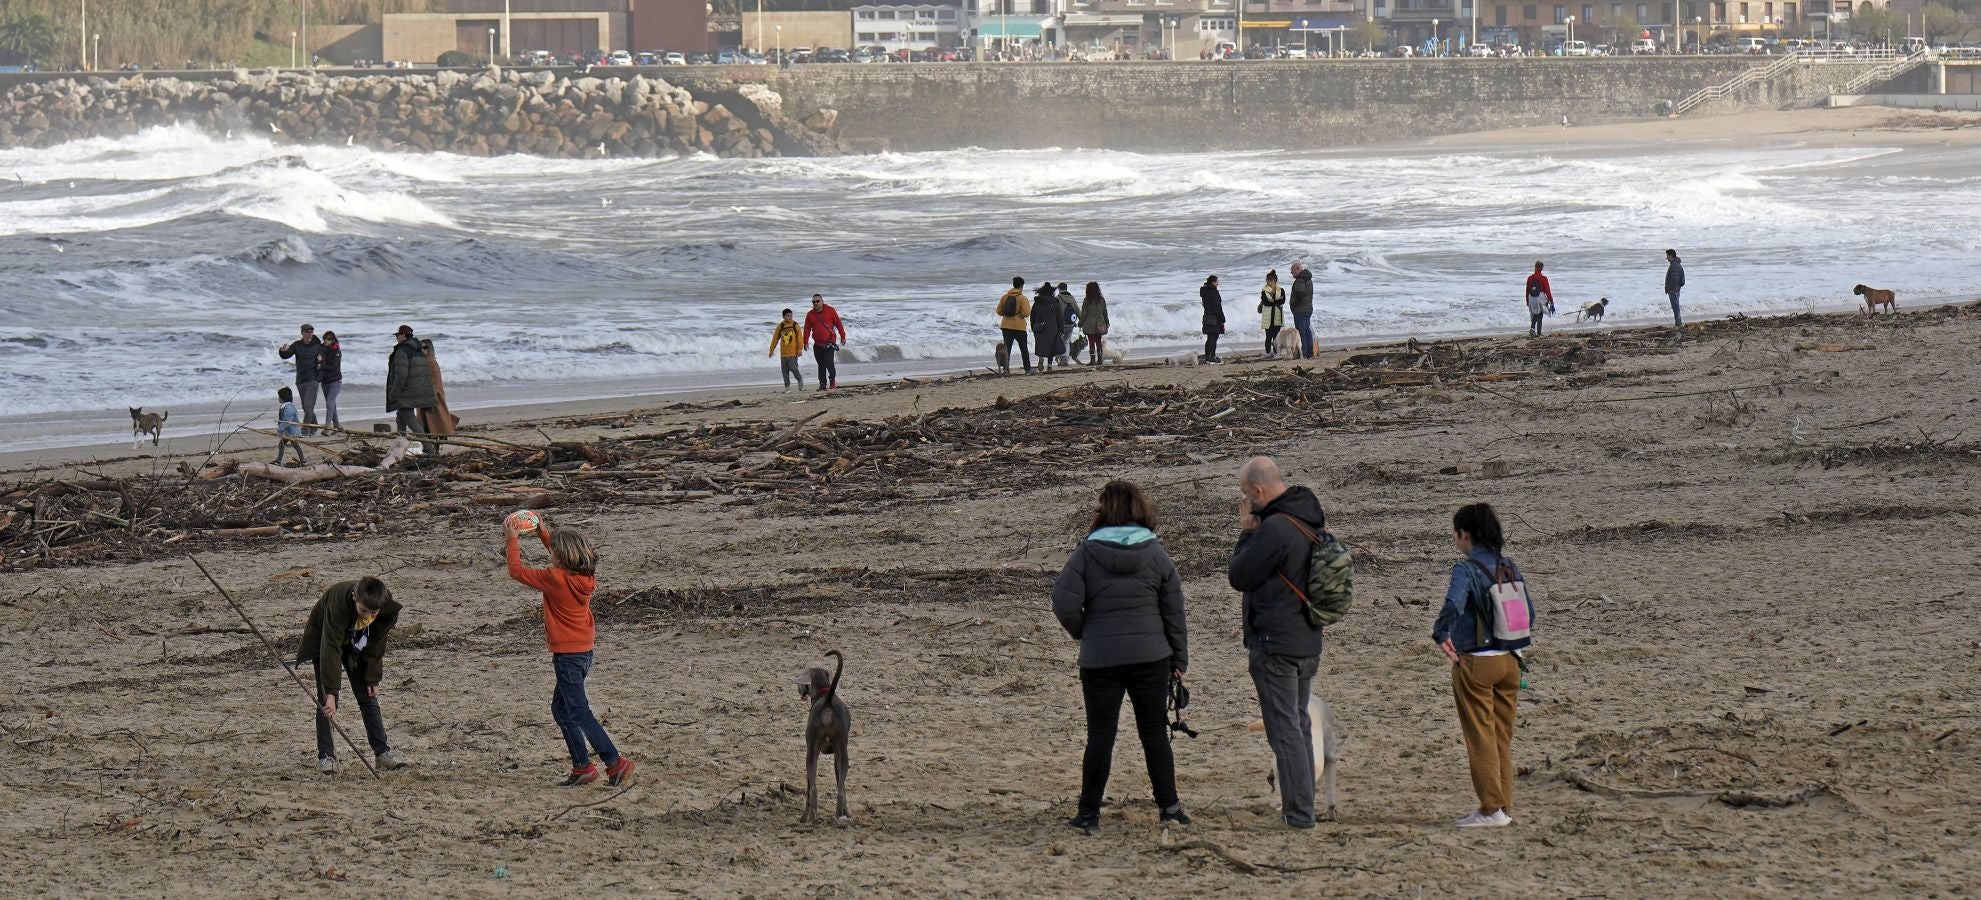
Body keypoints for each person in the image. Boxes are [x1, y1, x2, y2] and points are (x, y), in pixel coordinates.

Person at [1052, 480, 1191, 833]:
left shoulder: (1086, 552)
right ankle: (1170, 808)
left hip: (1101, 659)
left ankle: (1088, 815)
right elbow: (1174, 610)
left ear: (1104, 511)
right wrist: (1179, 659)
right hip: (1151, 657)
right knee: (1154, 733)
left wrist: (1085, 631)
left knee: (1100, 736)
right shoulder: (1156, 553)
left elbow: (1064, 603)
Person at [1226, 456, 1327, 829]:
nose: (1244, 501)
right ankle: (1302, 807)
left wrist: (1246, 531)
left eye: (1245, 494)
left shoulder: (1274, 529)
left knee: (1285, 730)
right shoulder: (1308, 518)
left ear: (1257, 490)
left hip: (1277, 644)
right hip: (1306, 639)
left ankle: (1299, 814)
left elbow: (1239, 575)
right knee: (1297, 725)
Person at [507, 516, 636, 788]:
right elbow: (563, 556)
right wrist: (542, 533)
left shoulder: (554, 578)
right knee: (562, 709)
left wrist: (512, 539)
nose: (550, 553)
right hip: (583, 652)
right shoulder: (585, 576)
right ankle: (582, 768)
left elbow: (516, 571)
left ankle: (615, 762)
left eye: (552, 550)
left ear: (560, 557)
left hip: (567, 657)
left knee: (578, 712)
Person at [1432, 503, 1532, 828]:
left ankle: (1491, 810)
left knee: (1481, 737)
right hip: (1511, 661)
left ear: (1466, 534)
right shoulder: (1508, 565)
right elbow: (1529, 612)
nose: (1455, 539)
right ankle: (1504, 807)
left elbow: (1453, 604)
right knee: (1502, 736)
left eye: (1456, 533)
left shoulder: (1466, 569)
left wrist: (1440, 633)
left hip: (1477, 662)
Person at [297, 576, 406, 774]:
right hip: (325, 640)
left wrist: (372, 676)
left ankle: (382, 753)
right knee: (327, 701)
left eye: (373, 612)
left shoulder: (383, 603)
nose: (368, 616)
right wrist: (331, 692)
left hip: (357, 643)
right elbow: (331, 647)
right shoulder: (338, 602)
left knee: (368, 696)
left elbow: (377, 642)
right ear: (355, 596)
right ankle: (326, 757)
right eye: (364, 611)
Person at [385, 326, 438, 455]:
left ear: (403, 336)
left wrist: (393, 393)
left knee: (409, 418)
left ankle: (429, 448)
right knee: (401, 416)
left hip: (406, 391)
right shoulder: (418, 349)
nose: (396, 338)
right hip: (417, 389)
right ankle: (399, 445)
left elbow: (400, 375)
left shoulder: (402, 351)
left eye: (397, 335)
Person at [277, 323, 323, 435]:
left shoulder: (318, 346)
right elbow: (286, 355)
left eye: (311, 331)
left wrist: (321, 362)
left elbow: (325, 361)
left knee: (308, 406)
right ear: (302, 333)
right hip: (301, 380)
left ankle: (305, 431)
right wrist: (282, 350)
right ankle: (314, 427)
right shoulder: (297, 345)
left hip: (312, 380)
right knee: (306, 407)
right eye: (307, 332)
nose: (309, 334)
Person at [417, 338, 459, 449]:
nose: (422, 350)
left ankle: (434, 448)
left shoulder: (430, 362)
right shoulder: (424, 361)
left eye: (425, 347)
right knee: (432, 422)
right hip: (427, 395)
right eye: (420, 347)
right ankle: (433, 448)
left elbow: (435, 382)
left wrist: (430, 396)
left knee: (434, 423)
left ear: (430, 349)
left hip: (432, 396)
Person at [803, 294, 847, 391]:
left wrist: (843, 336)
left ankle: (832, 379)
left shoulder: (830, 310)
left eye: (817, 301)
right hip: (817, 344)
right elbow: (807, 329)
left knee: (828, 361)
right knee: (821, 365)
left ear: (822, 301)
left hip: (829, 342)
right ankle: (822, 384)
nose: (815, 303)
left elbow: (838, 323)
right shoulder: (810, 314)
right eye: (813, 302)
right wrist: (805, 341)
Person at [996, 276, 1034, 374]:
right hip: (1019, 327)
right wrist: (1019, 314)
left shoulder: (1005, 297)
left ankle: (1006, 369)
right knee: (1023, 349)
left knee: (1007, 349)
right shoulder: (1023, 298)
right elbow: (1026, 313)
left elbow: (999, 311)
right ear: (1022, 286)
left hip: (1006, 326)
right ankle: (1027, 369)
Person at [768, 308, 805, 392]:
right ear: (783, 316)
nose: (790, 317)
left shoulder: (795, 325)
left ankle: (799, 378)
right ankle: (787, 386)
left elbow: (800, 338)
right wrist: (771, 350)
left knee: (793, 368)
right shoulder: (780, 326)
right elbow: (775, 339)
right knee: (784, 371)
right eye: (788, 316)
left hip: (793, 353)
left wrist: (800, 349)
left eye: (791, 316)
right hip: (783, 353)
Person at [1032, 283, 1065, 373]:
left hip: (1039, 327)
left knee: (1041, 345)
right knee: (1052, 347)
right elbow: (1059, 318)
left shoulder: (1036, 303)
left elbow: (1032, 317)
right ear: (1052, 292)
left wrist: (1033, 327)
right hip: (1052, 328)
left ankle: (1041, 358)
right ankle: (1049, 366)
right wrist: (1062, 330)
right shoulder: (1055, 303)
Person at [274, 386, 307, 466]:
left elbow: (287, 420)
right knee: (292, 445)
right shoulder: (285, 406)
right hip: (289, 431)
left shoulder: (288, 407)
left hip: (291, 431)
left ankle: (278, 461)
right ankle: (303, 461)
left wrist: (280, 429)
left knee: (288, 444)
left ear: (283, 397)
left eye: (279, 396)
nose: (278, 398)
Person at [317, 330, 343, 431]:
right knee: (332, 405)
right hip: (325, 381)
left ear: (333, 340)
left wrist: (321, 364)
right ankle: (337, 426)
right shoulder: (322, 349)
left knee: (329, 402)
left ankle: (327, 427)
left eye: (328, 339)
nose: (326, 341)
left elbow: (333, 367)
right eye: (324, 339)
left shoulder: (336, 351)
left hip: (335, 381)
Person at [1259, 270, 1288, 359]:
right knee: (1268, 336)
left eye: (1270, 279)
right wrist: (1276, 301)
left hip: (1277, 316)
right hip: (1268, 316)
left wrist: (1273, 301)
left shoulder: (1281, 290)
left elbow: (1283, 301)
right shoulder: (1264, 291)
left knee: (1276, 336)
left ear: (1275, 280)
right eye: (1267, 279)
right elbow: (1265, 302)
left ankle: (1276, 353)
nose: (1268, 281)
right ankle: (1268, 353)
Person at [1079, 282, 1110, 366]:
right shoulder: (1101, 299)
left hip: (1089, 324)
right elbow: (1105, 312)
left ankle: (1092, 361)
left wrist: (1080, 323)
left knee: (1091, 342)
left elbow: (1083, 313)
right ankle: (1099, 360)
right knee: (1098, 341)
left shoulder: (1087, 300)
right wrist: (1107, 322)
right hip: (1100, 323)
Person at [1289, 263, 1315, 359]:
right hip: (1308, 308)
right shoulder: (1308, 278)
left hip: (1300, 310)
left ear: (1297, 269)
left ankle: (1303, 352)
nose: (1291, 272)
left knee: (1301, 332)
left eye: (1292, 270)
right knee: (1307, 330)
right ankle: (1309, 352)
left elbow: (1299, 294)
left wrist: (1293, 304)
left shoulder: (1300, 279)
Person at [1524, 262, 1554, 338]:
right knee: (1539, 314)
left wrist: (1527, 300)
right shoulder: (1544, 278)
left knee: (1535, 313)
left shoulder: (1530, 278)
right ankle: (1536, 331)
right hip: (1540, 297)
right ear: (1542, 268)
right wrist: (1551, 301)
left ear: (1535, 267)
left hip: (1531, 297)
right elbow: (1547, 291)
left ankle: (1535, 330)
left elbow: (1527, 290)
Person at [1200, 276, 1226, 364]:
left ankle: (1207, 356)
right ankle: (1212, 357)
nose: (1218, 283)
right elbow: (1217, 308)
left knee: (1209, 338)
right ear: (1213, 282)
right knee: (1214, 337)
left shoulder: (1205, 292)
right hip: (1214, 318)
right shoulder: (1213, 292)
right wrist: (1222, 319)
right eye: (1217, 281)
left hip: (1206, 317)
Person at [1056, 283, 1079, 366]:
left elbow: (1055, 312)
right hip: (1071, 324)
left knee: (1059, 341)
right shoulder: (1072, 298)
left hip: (1061, 324)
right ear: (1066, 288)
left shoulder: (1058, 298)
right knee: (1066, 341)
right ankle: (1065, 359)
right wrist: (1081, 321)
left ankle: (1061, 359)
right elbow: (1077, 310)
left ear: (1059, 289)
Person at [1664, 249, 1686, 329]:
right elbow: (1681, 281)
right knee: (1676, 307)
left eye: (1667, 256)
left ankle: (1678, 324)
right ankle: (1678, 323)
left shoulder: (1674, 265)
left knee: (1675, 308)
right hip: (1675, 289)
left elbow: (1674, 279)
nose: (1666, 258)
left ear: (1671, 256)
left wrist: (1670, 288)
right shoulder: (1676, 264)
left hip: (1673, 290)